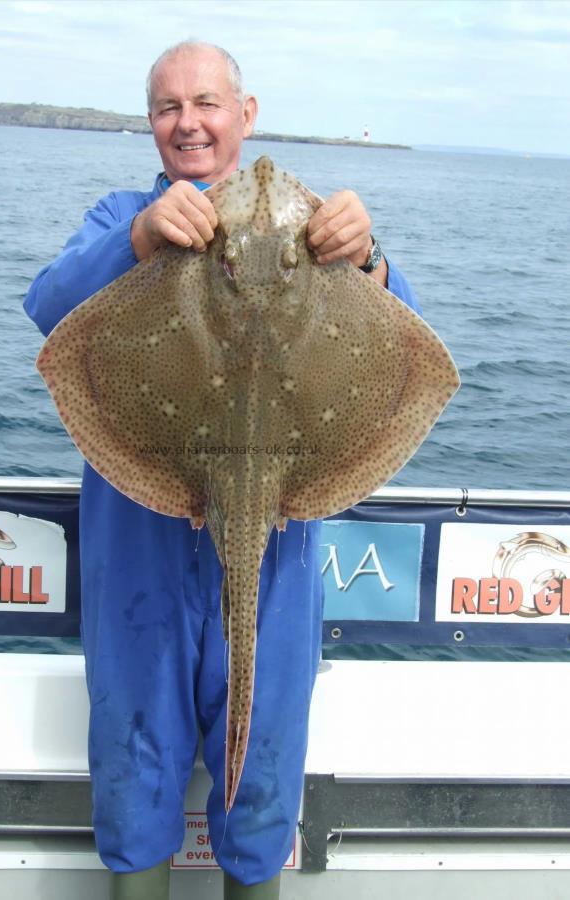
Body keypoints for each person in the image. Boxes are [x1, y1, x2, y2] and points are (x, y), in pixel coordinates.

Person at [25, 41, 421, 900]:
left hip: (277, 536)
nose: (188, 122)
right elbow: (48, 308)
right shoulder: (122, 216)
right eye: (167, 107)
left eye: (205, 102)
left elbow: (407, 338)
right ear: (150, 125)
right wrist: (138, 237)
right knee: (136, 770)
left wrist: (367, 255)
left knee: (263, 777)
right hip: (138, 543)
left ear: (244, 114)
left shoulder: (314, 233)